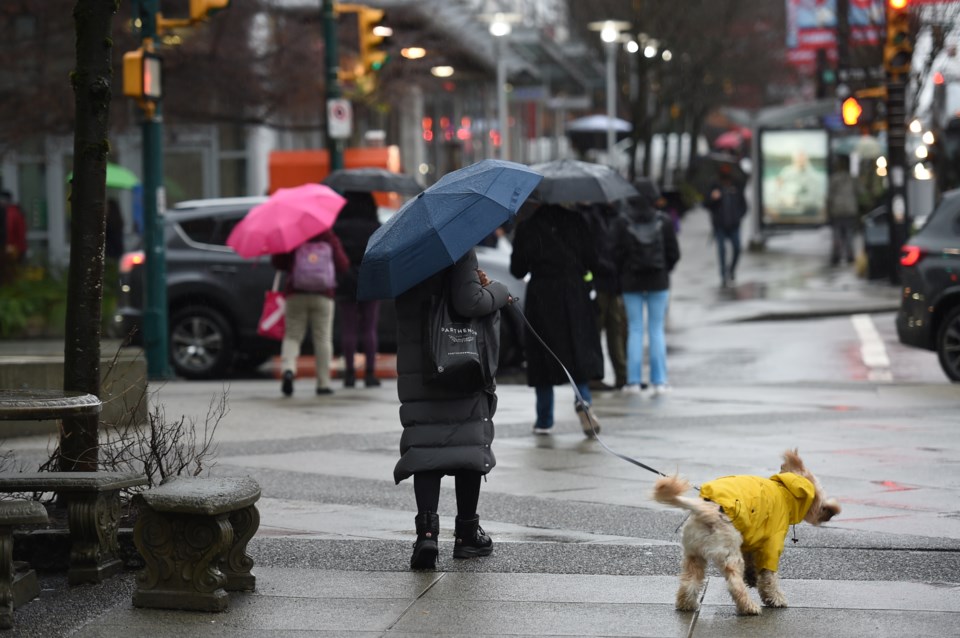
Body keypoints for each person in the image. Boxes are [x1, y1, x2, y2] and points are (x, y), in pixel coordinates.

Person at [394, 248, 512, 570]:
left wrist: (474, 283)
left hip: (420, 366)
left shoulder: (405, 254)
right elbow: (467, 302)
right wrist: (496, 291)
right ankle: (466, 535)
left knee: (426, 448)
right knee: (467, 448)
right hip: (460, 362)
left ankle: (427, 534)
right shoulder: (457, 249)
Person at [510, 202, 605, 436]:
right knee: (577, 350)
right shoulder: (577, 221)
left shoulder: (528, 227)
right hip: (574, 295)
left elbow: (517, 270)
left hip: (542, 296)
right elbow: (593, 259)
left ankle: (544, 419)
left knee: (543, 356)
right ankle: (582, 402)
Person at [613, 187, 681, 396]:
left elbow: (615, 253)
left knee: (635, 330)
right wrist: (663, 270)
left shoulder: (622, 222)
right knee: (656, 330)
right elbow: (674, 253)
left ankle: (633, 381)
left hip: (631, 282)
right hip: (658, 281)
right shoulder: (664, 221)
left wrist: (625, 272)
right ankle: (659, 381)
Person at [271, 229, 350, 396]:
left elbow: (278, 262)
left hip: (296, 293)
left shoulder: (292, 234)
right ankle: (323, 383)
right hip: (323, 294)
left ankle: (288, 369)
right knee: (323, 338)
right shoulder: (328, 236)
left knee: (292, 335)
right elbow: (343, 264)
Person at [333, 191, 382, 388]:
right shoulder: (374, 227)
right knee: (369, 328)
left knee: (349, 328)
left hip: (346, 279)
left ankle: (350, 374)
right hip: (370, 279)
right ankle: (370, 374)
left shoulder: (338, 228)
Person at [580, 202, 627, 391]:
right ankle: (593, 376)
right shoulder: (590, 216)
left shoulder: (616, 217)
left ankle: (622, 376)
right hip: (598, 283)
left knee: (617, 330)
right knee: (595, 331)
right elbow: (591, 251)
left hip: (614, 284)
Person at [707, 168, 748, 287]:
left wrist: (738, 216)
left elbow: (744, 205)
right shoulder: (714, 187)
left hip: (734, 225)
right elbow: (706, 204)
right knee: (722, 251)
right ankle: (723, 275)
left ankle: (731, 270)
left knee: (737, 248)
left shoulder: (736, 187)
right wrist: (712, 199)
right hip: (720, 226)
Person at [827, 154, 859, 266]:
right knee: (849, 234)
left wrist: (829, 208)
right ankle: (850, 256)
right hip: (850, 209)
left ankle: (837, 256)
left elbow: (830, 196)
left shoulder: (834, 179)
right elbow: (859, 192)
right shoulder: (852, 179)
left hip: (837, 210)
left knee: (837, 234)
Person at [0, 190, 27, 285]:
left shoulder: (10, 214)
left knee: (10, 274)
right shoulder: (16, 212)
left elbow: (9, 232)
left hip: (12, 249)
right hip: (17, 248)